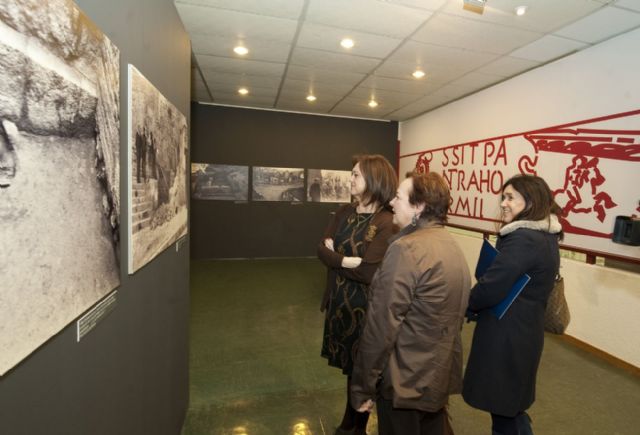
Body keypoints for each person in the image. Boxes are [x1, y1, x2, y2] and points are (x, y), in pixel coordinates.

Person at [350, 171, 471, 435]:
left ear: (419, 207)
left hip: (404, 381)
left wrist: (362, 387)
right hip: (435, 378)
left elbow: (381, 326)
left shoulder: (406, 250)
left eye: (398, 197)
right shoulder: (450, 244)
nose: (391, 203)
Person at [462, 174, 563, 435]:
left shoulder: (524, 239)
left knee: (505, 409)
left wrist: (464, 304)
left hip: (507, 335)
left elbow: (492, 286)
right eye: (503, 197)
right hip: (523, 331)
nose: (503, 203)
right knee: (510, 406)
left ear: (530, 202)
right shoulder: (545, 236)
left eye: (510, 198)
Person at [317, 154, 398, 435]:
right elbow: (321, 249)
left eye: (356, 175)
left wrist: (336, 259)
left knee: (364, 372)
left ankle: (356, 427)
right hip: (340, 306)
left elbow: (369, 272)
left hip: (367, 311)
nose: (349, 179)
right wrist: (345, 260)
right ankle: (350, 422)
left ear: (374, 180)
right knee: (352, 370)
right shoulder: (344, 212)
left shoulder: (387, 221)